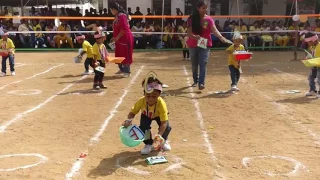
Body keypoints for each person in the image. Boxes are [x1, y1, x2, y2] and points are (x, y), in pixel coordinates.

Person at [186, 0, 231, 90]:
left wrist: (221, 37)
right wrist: (195, 37)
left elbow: (214, 30)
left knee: (203, 63)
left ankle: (201, 83)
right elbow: (189, 33)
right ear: (198, 8)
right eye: (203, 8)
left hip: (204, 44)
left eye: (206, 8)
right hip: (193, 44)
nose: (205, 10)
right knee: (194, 65)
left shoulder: (209, 19)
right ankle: (196, 80)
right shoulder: (191, 19)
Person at [122, 74, 172, 155]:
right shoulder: (141, 101)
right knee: (144, 128)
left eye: (154, 96)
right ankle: (148, 144)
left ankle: (164, 141)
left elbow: (163, 123)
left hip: (159, 115)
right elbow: (133, 112)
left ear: (159, 95)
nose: (151, 99)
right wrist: (128, 120)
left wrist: (159, 135)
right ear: (144, 93)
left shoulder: (162, 104)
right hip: (146, 115)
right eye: (148, 96)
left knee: (167, 127)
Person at [109, 2, 134, 78]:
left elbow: (124, 29)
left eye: (111, 10)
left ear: (114, 9)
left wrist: (117, 37)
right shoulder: (117, 16)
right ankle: (122, 69)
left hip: (125, 38)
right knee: (119, 54)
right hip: (119, 39)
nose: (111, 12)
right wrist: (115, 37)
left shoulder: (122, 16)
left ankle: (127, 71)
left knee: (125, 54)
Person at [304, 32, 320, 98]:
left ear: (313, 40)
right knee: (311, 78)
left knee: (319, 79)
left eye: (309, 42)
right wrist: (308, 58)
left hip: (319, 65)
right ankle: (313, 90)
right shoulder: (313, 47)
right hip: (314, 65)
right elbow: (312, 54)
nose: (308, 43)